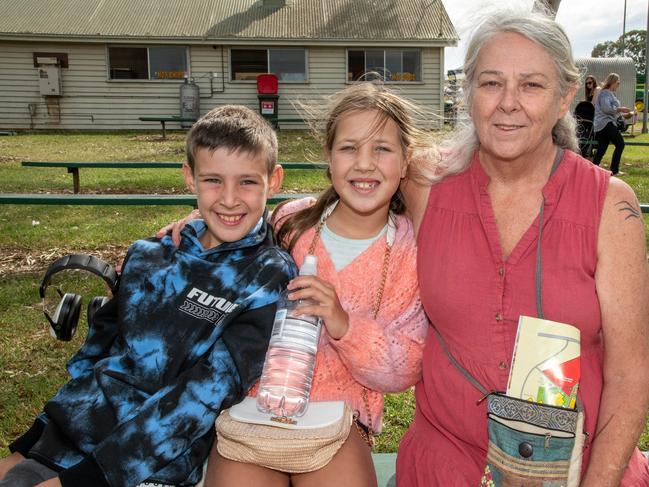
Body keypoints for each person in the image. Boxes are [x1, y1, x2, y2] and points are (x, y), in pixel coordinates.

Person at [396, 9, 649, 487]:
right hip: (449, 463)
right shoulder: (425, 183)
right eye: (491, 83)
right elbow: (351, 188)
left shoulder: (609, 208)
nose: (507, 103)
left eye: (531, 85)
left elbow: (631, 375)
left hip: (576, 466)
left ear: (564, 98)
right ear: (468, 93)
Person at [0, 105, 297, 487]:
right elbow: (96, 358)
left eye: (247, 182)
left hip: (147, 465)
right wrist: (30, 445)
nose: (229, 199)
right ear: (189, 178)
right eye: (212, 180)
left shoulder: (268, 277)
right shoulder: (148, 254)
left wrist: (84, 480)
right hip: (68, 442)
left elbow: (200, 397)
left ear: (274, 180)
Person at [161, 82, 429, 487]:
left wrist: (344, 324)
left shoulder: (411, 252)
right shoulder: (290, 221)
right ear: (329, 155)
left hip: (340, 421)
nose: (364, 164)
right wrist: (190, 234)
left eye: (382, 149)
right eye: (349, 148)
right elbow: (230, 237)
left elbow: (405, 367)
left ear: (405, 161)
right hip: (250, 407)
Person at [592, 72, 635, 175]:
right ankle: (614, 170)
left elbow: (611, 112)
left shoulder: (607, 93)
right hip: (606, 124)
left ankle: (592, 171)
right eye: (618, 83)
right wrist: (621, 109)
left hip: (601, 125)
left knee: (602, 149)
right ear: (613, 82)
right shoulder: (605, 93)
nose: (618, 85)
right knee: (620, 144)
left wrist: (626, 114)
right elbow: (606, 109)